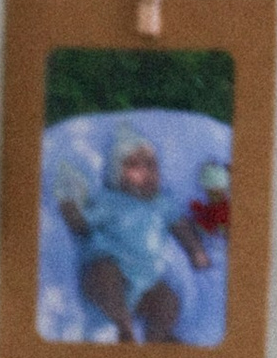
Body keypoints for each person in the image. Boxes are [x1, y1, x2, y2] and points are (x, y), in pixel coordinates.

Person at [55, 124, 211, 343]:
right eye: (135, 165)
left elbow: (181, 226)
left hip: (146, 284)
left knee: (168, 300)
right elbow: (82, 225)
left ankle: (158, 337)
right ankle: (124, 326)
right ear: (118, 175)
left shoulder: (163, 204)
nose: (146, 170)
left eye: (151, 164)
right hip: (109, 270)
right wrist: (69, 204)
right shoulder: (110, 201)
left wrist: (196, 251)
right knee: (103, 275)